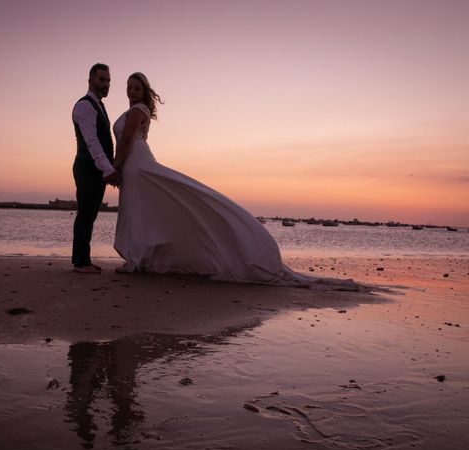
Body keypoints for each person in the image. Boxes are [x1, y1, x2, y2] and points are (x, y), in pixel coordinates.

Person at [112, 72, 361, 289]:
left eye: (136, 87)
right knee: (142, 210)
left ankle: (138, 259)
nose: (131, 91)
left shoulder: (137, 110)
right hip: (136, 162)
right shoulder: (132, 110)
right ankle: (140, 258)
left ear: (144, 92)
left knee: (144, 208)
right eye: (129, 87)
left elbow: (126, 141)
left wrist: (114, 166)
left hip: (137, 162)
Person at [71, 63, 119, 274]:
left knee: (90, 214)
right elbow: (92, 142)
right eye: (101, 79)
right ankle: (80, 262)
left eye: (108, 80)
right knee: (85, 213)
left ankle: (84, 260)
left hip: (95, 168)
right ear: (90, 80)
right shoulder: (84, 106)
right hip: (87, 166)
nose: (105, 84)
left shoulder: (99, 105)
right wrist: (107, 169)